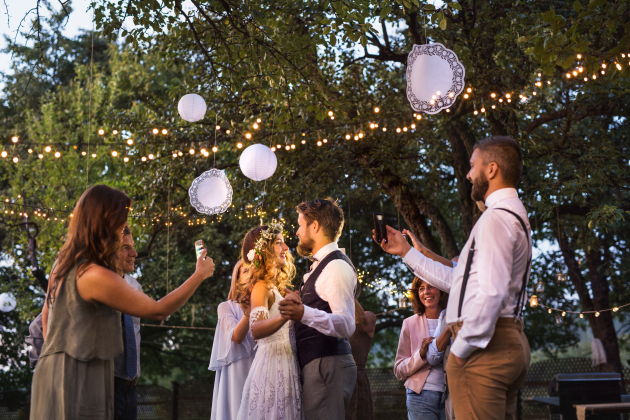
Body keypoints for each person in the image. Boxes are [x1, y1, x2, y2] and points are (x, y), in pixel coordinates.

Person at [375, 136, 532, 420]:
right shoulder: (513, 214)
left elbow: (491, 294)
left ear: (492, 169)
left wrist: (460, 351)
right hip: (506, 340)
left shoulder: (496, 219)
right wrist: (406, 252)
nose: (468, 174)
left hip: (485, 347)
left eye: (473, 166)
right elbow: (458, 281)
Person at [31, 185, 215, 420]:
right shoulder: (94, 274)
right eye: (120, 221)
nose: (123, 228)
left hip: (57, 372)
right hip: (79, 376)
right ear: (105, 223)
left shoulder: (64, 263)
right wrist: (199, 274)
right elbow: (158, 311)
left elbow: (47, 314)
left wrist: (57, 357)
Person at [279, 198, 358, 420]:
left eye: (300, 225)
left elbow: (346, 325)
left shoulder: (335, 267)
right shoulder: (321, 266)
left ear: (315, 226)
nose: (296, 232)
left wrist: (303, 313)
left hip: (327, 366)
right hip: (319, 366)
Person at [236, 221, 303, 420]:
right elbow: (256, 330)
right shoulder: (261, 287)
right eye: (279, 243)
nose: (286, 248)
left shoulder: (277, 288)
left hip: (287, 362)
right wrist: (286, 313)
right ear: (264, 249)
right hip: (273, 366)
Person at [394, 276, 448, 420]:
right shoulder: (409, 323)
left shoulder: (453, 320)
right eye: (421, 289)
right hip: (420, 396)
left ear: (441, 289)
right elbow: (398, 370)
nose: (426, 292)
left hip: (452, 395)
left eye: (431, 286)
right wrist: (420, 355)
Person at [210, 260, 257, 420]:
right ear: (236, 279)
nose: (250, 274)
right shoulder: (226, 307)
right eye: (245, 271)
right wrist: (249, 311)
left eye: (253, 270)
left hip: (261, 369)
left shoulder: (267, 304)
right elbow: (236, 337)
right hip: (236, 373)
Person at [113, 225, 142, 420]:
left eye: (132, 246)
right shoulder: (94, 285)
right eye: (125, 247)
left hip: (132, 387)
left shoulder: (135, 286)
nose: (134, 253)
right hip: (106, 387)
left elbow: (158, 310)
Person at [345, 283, 376, 420]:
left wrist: (348, 293)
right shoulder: (339, 320)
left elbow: (362, 319)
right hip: (339, 377)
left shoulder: (369, 317)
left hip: (358, 380)